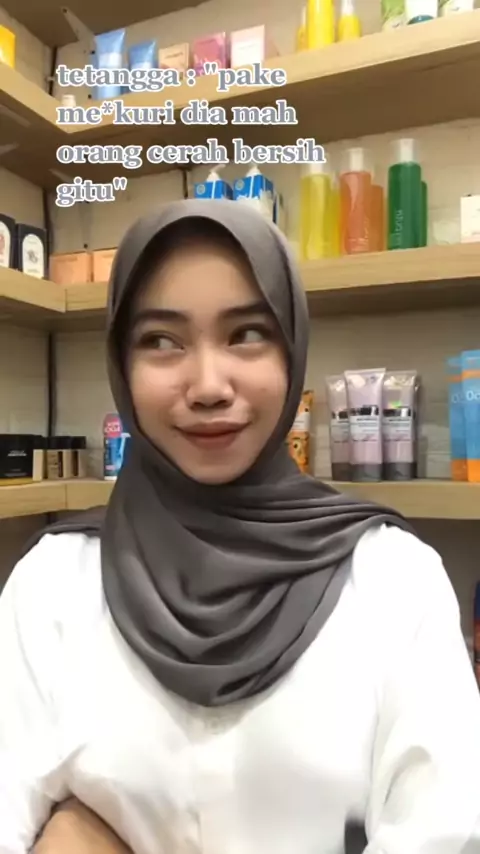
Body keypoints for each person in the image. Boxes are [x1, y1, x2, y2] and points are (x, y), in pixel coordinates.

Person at [1, 200, 479, 854]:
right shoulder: (53, 584)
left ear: (292, 349)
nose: (208, 385)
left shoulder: (394, 579)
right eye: (161, 340)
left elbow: (444, 833)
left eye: (247, 333)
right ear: (121, 363)